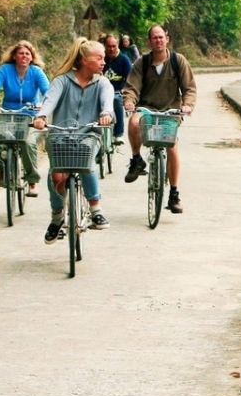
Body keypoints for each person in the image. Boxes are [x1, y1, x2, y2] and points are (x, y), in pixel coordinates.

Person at [33, 38, 114, 243]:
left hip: (89, 134)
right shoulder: (62, 81)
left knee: (86, 162)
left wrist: (106, 114)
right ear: (85, 60)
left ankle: (95, 208)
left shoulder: (103, 83)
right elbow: (50, 100)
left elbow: (107, 103)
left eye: (104, 58)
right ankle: (57, 216)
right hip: (61, 134)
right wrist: (42, 116)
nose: (104, 62)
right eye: (99, 58)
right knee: (57, 176)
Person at [121, 25, 196, 213]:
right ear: (149, 42)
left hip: (171, 110)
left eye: (161, 37)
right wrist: (129, 101)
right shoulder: (142, 63)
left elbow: (189, 88)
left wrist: (187, 105)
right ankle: (137, 159)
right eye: (154, 38)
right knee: (134, 122)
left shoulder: (179, 61)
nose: (158, 41)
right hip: (147, 108)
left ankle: (174, 193)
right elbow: (131, 87)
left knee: (172, 145)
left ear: (167, 39)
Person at [0, 40, 50, 197]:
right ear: (14, 56)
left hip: (29, 115)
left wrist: (44, 106)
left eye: (27, 54)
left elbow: (48, 92)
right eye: (20, 53)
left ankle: (32, 181)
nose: (24, 56)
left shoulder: (36, 72)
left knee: (28, 144)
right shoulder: (5, 70)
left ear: (32, 57)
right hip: (7, 115)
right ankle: (3, 168)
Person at [101, 34, 132, 145]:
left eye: (114, 46)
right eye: (109, 46)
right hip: (101, 91)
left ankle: (118, 134)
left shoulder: (124, 60)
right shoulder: (101, 58)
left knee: (117, 101)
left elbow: (130, 79)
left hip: (117, 91)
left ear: (118, 46)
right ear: (105, 46)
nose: (112, 49)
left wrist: (125, 90)